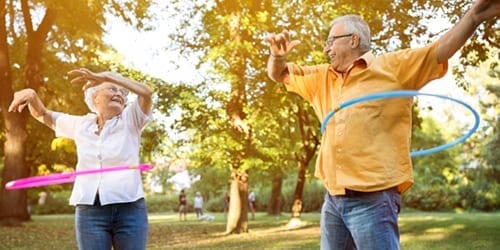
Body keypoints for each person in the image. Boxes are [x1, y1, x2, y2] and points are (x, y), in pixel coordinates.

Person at [265, 1, 499, 249]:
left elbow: (440, 50)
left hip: (373, 201)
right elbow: (279, 74)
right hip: (333, 199)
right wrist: (277, 57)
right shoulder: (321, 78)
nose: (327, 48)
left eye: (331, 40)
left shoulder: (394, 68)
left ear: (353, 40)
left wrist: (473, 16)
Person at [8, 68, 153, 250]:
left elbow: (146, 93)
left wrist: (108, 77)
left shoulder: (131, 120)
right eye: (112, 89)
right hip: (90, 211)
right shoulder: (81, 124)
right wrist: (31, 94)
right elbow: (42, 114)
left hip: (129, 209)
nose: (119, 94)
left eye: (122, 92)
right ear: (95, 97)